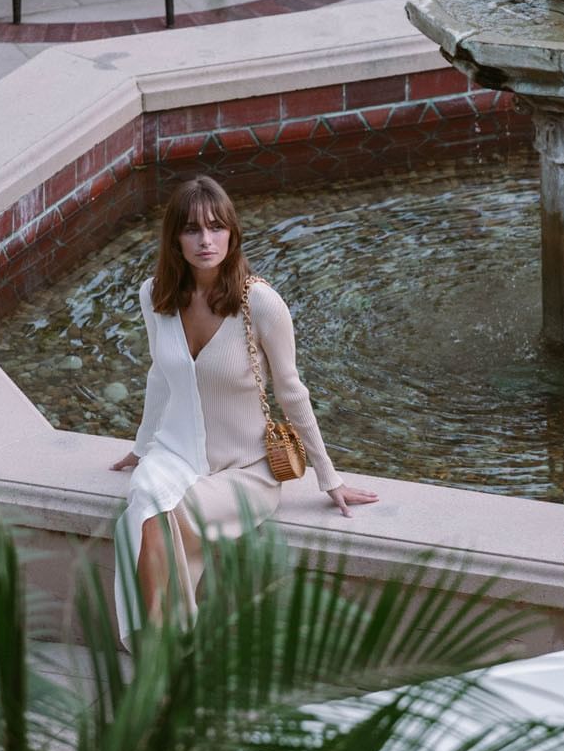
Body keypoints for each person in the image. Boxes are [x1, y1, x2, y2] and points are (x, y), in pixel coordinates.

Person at [110, 175, 377, 643]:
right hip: (175, 453)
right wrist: (140, 446)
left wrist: (328, 477)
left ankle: (162, 647)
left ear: (232, 234)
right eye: (192, 229)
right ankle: (162, 646)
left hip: (246, 469)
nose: (205, 240)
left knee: (159, 515)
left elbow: (292, 392)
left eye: (216, 227)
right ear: (175, 237)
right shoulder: (155, 297)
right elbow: (159, 376)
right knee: (144, 503)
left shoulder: (260, 303)